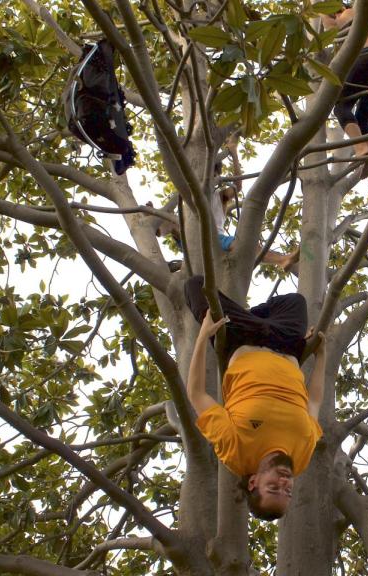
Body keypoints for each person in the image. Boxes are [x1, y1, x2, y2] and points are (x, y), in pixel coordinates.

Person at [184, 275, 324, 520]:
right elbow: (313, 402)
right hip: (287, 343)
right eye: (287, 491)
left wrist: (203, 335)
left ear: (253, 483)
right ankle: (253, 315)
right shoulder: (301, 458)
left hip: (242, 338)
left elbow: (196, 394)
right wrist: (321, 357)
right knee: (295, 301)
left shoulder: (235, 453)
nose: (284, 482)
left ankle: (247, 316)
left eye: (273, 488)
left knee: (196, 287)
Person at [154, 161, 299, 271]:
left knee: (244, 245)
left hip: (214, 238)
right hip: (189, 236)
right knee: (171, 221)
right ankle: (156, 226)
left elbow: (238, 185)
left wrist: (234, 153)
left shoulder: (220, 196)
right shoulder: (189, 195)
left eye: (213, 174)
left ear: (217, 176)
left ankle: (281, 260)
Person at [322, 3, 368, 176]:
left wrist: (317, 9)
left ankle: (361, 149)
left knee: (341, 107)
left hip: (365, 57)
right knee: (363, 119)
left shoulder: (347, 13)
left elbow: (326, 27)